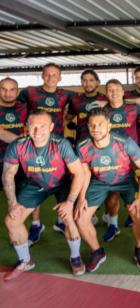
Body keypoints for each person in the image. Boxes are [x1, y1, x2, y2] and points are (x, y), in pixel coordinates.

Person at [3, 110, 84, 281]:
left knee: (68, 217)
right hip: (36, 184)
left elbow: (78, 173)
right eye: (33, 126)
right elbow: (8, 175)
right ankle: (25, 260)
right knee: (12, 220)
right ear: (27, 127)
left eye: (43, 126)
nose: (38, 131)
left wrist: (69, 202)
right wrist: (12, 203)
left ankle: (75, 257)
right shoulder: (17, 145)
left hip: (62, 183)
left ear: (52, 127)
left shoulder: (61, 144)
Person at [75, 109, 140, 271]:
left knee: (138, 213)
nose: (96, 128)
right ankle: (97, 252)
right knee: (80, 218)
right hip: (99, 182)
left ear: (109, 126)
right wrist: (81, 197)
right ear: (88, 127)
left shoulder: (124, 142)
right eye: (92, 125)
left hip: (125, 180)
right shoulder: (83, 146)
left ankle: (139, 249)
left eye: (100, 124)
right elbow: (85, 172)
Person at [18, 63, 76, 237]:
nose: (51, 78)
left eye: (54, 75)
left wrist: (64, 122)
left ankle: (61, 221)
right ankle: (36, 224)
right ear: (42, 75)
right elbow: (17, 107)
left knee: (60, 182)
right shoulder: (29, 92)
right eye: (48, 74)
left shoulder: (66, 94)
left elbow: (74, 110)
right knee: (35, 181)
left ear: (60, 78)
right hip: (34, 142)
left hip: (57, 144)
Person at [100, 79, 140, 242]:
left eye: (117, 89)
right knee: (112, 195)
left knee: (139, 190)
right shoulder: (102, 112)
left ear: (123, 92)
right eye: (110, 90)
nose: (114, 92)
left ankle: (139, 219)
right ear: (106, 93)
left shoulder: (134, 108)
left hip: (132, 158)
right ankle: (113, 225)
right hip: (111, 159)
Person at [65, 69, 105, 142]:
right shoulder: (75, 100)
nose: (88, 83)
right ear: (81, 82)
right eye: (84, 80)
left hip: (101, 140)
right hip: (81, 141)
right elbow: (67, 119)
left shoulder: (105, 99)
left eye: (91, 80)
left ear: (98, 82)